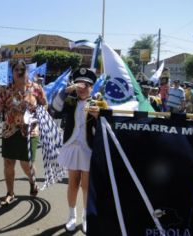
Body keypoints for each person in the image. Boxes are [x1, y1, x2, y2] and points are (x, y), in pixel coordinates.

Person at [0, 60, 47, 206]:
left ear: (27, 72)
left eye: (22, 69)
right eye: (16, 69)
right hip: (9, 131)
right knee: (8, 163)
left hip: (30, 131)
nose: (19, 72)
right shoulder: (5, 90)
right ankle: (10, 193)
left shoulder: (36, 88)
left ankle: (32, 181)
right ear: (12, 73)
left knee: (26, 164)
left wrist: (37, 113)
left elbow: (44, 105)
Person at [52, 67, 107, 233]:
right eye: (79, 85)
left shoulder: (98, 102)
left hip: (89, 149)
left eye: (86, 85)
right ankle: (71, 215)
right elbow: (55, 107)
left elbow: (108, 124)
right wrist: (65, 90)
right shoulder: (70, 100)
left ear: (91, 87)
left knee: (86, 186)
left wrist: (100, 116)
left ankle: (85, 216)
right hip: (71, 146)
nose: (82, 88)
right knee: (73, 183)